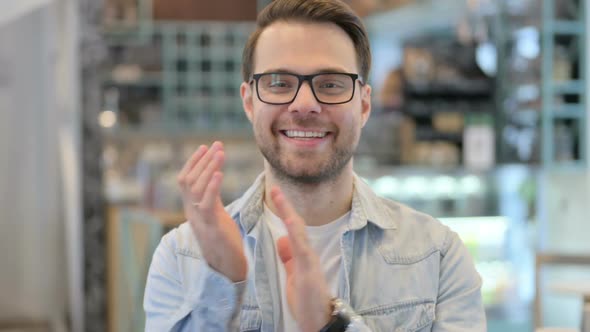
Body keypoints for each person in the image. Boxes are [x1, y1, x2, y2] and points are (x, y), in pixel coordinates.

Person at [143, 0, 486, 331]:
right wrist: (223, 283)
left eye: (331, 84)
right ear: (249, 102)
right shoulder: (181, 257)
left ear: (364, 105)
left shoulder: (438, 257)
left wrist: (330, 324)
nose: (304, 104)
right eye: (279, 83)